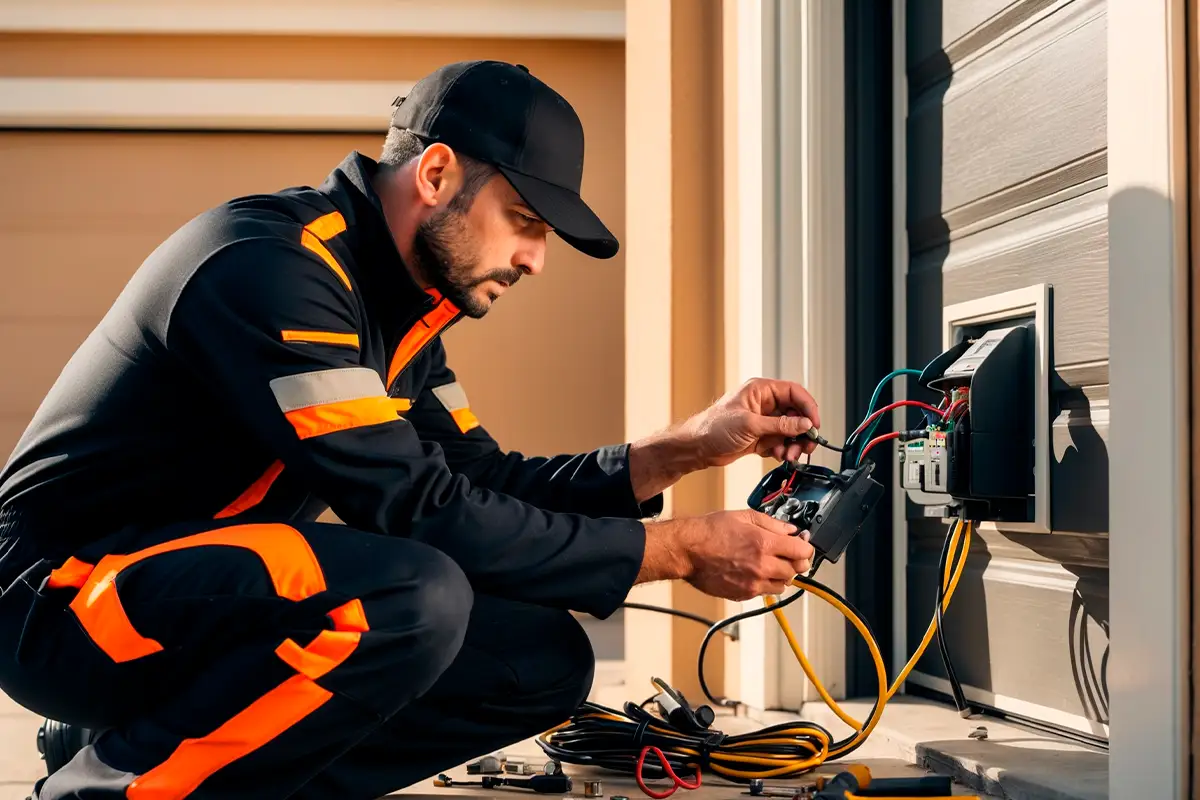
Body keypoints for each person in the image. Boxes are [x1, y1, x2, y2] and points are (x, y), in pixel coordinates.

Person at [0, 60, 820, 799]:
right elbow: (424, 511)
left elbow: (484, 483)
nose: (536, 259)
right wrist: (679, 550)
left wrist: (686, 447)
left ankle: (170, 752)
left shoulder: (394, 318)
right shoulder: (271, 269)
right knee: (410, 592)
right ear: (437, 173)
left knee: (537, 661)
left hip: (189, 602)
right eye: (527, 219)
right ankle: (108, 791)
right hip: (64, 605)